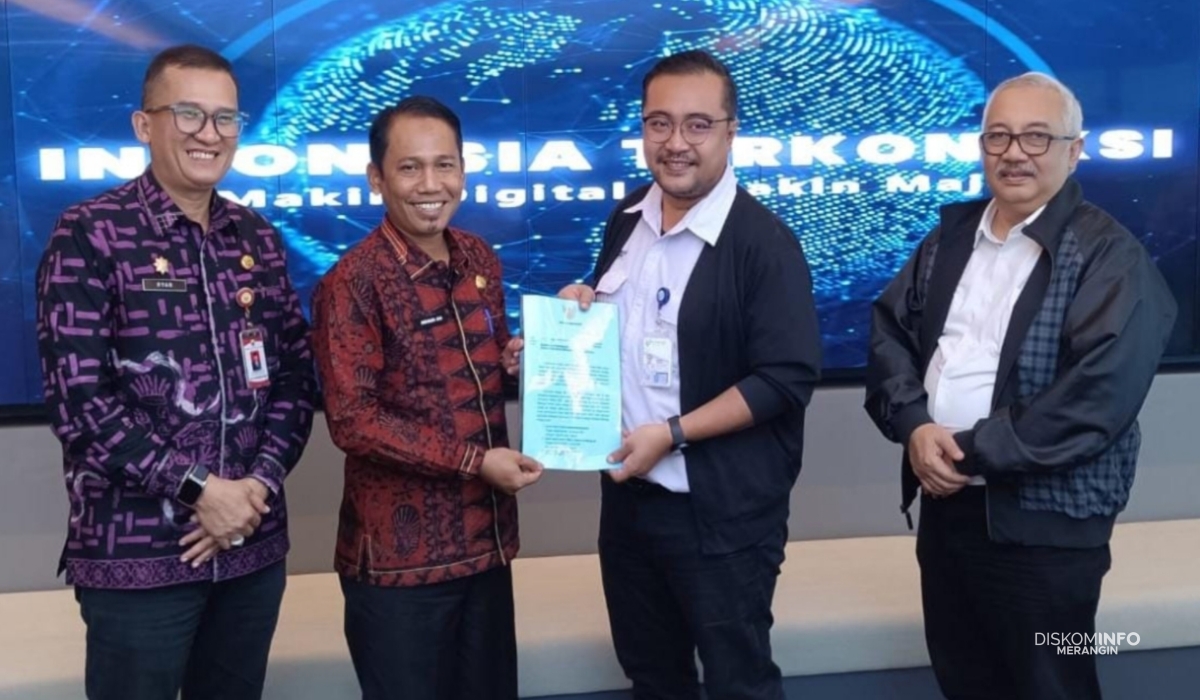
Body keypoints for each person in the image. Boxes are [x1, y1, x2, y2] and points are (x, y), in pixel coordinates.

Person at [864, 72, 1177, 700]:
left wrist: (965, 450)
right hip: (948, 514)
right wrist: (915, 426)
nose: (1014, 153)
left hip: (1048, 532)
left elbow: (1095, 399)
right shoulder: (948, 239)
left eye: (1037, 137)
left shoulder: (1110, 257)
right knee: (965, 679)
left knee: (1054, 681)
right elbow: (888, 335)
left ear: (1074, 150)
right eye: (998, 136)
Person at [35, 44, 316, 700]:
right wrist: (201, 491)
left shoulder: (258, 239)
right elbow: (80, 402)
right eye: (188, 114)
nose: (208, 134)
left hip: (250, 549)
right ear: (144, 125)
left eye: (225, 118)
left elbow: (296, 379)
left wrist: (252, 488)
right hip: (138, 561)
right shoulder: (90, 234)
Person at [558, 50, 822, 699]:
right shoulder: (627, 218)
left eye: (697, 125)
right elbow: (628, 329)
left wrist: (672, 433)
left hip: (721, 517)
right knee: (652, 677)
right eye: (659, 123)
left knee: (739, 683)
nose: (676, 142)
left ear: (731, 132)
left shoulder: (764, 243)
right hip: (629, 503)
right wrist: (578, 317)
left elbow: (784, 379)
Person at [310, 96, 543, 700]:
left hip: (487, 549)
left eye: (445, 165)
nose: (431, 184)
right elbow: (353, 420)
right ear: (376, 178)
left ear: (463, 170)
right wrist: (475, 462)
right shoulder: (352, 282)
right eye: (410, 167)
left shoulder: (478, 257)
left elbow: (481, 370)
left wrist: (515, 365)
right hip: (398, 569)